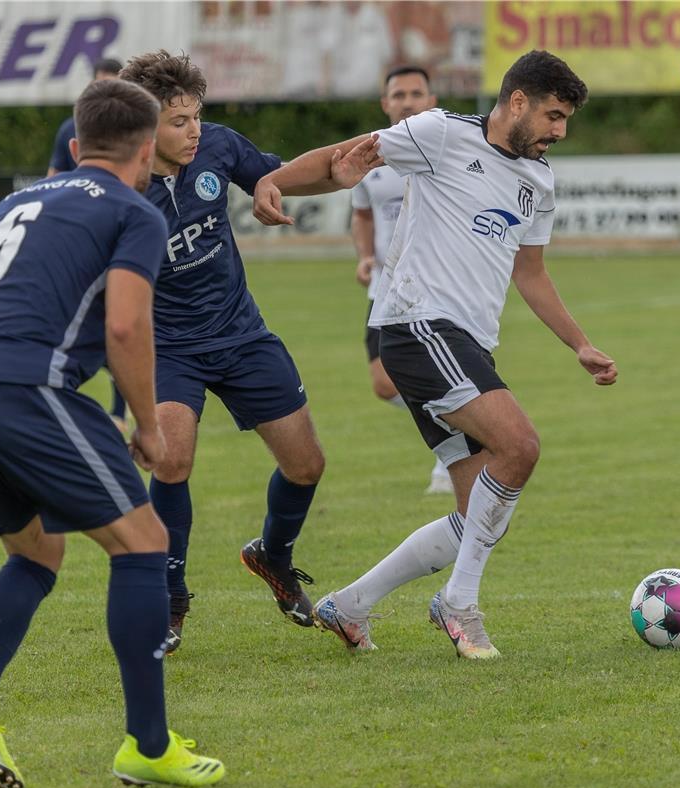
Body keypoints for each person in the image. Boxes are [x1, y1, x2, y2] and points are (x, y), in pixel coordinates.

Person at [255, 49, 618, 659]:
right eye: (554, 116)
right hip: (417, 326)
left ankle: (350, 605)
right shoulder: (441, 134)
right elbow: (344, 158)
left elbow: (531, 274)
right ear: (519, 101)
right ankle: (460, 604)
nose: (560, 131)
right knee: (521, 446)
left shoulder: (538, 180)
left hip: (465, 341)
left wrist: (579, 343)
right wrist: (271, 180)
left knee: (476, 513)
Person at [0, 79, 224, 788]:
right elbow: (125, 325)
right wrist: (148, 426)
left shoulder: (14, 200)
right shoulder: (134, 210)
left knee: (37, 550)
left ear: (78, 144)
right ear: (146, 150)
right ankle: (148, 747)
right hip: (22, 387)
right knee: (143, 544)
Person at [118, 51, 381, 653]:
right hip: (169, 350)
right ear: (142, 124)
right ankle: (169, 596)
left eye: (195, 117)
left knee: (307, 465)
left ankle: (273, 555)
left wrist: (335, 175)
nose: (193, 131)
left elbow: (280, 174)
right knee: (172, 458)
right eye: (178, 121)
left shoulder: (216, 148)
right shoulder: (119, 187)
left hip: (240, 334)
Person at [351, 65, 451, 494]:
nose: (407, 101)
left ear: (431, 101)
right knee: (382, 383)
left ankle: (451, 458)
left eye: (416, 93)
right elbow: (361, 212)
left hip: (434, 285)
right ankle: (457, 435)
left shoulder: (448, 149)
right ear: (385, 103)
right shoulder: (368, 154)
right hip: (385, 287)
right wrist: (365, 256)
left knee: (440, 374)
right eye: (399, 94)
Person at [48, 57, 129, 432]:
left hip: (115, 240)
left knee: (118, 321)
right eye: (101, 83)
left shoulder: (135, 129)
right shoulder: (70, 128)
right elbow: (53, 180)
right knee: (85, 326)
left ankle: (119, 410)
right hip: (79, 243)